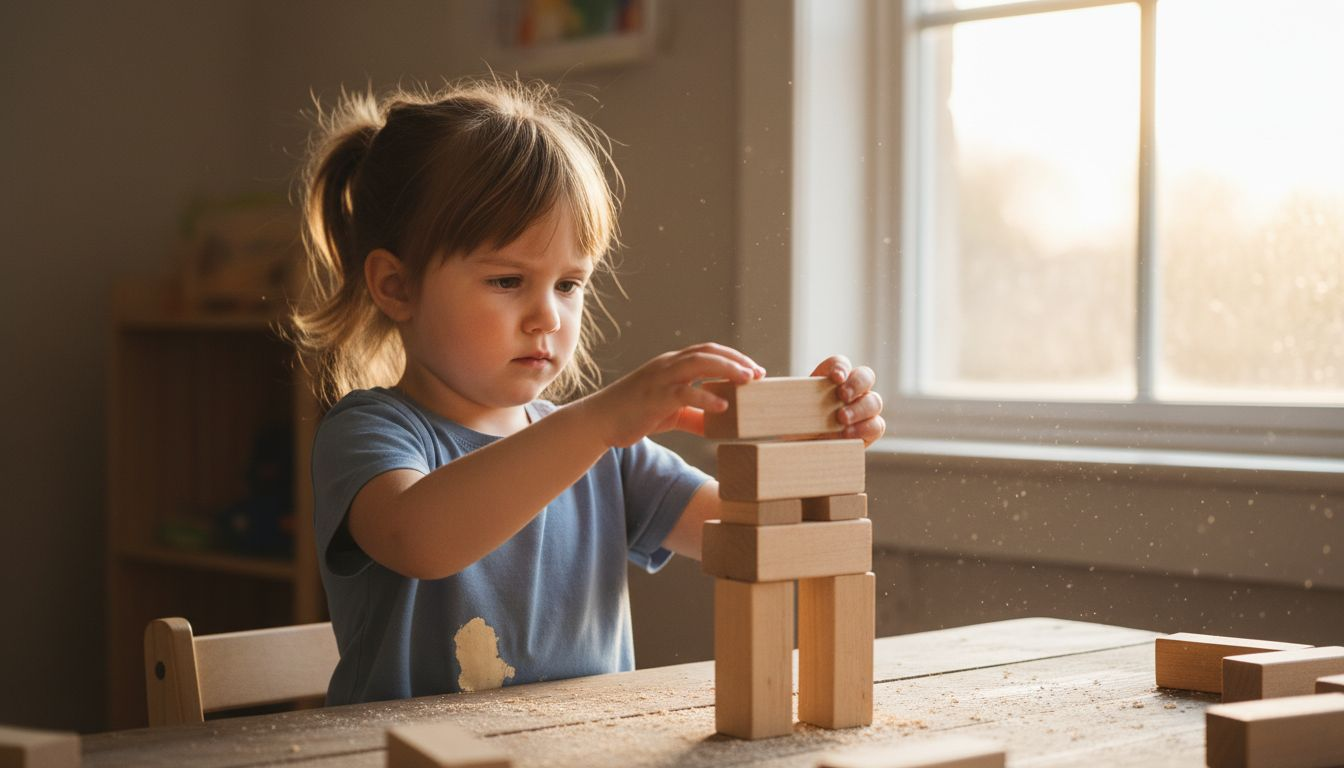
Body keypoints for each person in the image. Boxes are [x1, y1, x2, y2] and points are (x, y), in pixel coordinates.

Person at [288, 77, 886, 706]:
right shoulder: (371, 431)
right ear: (397, 286)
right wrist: (599, 423)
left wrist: (808, 454)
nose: (548, 316)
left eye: (570, 284)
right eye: (507, 280)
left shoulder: (607, 451)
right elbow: (420, 540)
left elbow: (748, 530)